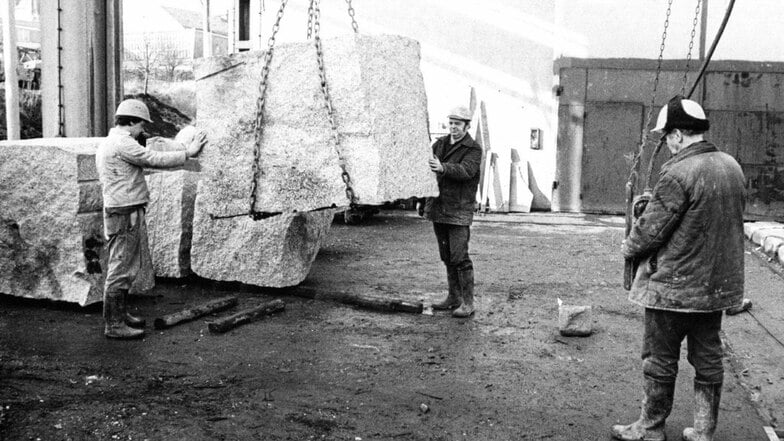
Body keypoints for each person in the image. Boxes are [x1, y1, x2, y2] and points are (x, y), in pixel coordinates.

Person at [612, 95, 746, 441]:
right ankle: (703, 430)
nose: (667, 144)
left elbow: (651, 232)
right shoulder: (731, 165)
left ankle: (651, 427)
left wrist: (628, 245)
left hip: (673, 289)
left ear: (676, 135)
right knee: (708, 357)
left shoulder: (678, 172)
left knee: (659, 358)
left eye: (666, 137)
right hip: (714, 288)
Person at [96, 99, 207, 340]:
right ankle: (114, 323)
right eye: (141, 125)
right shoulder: (122, 143)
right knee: (121, 267)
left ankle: (120, 315)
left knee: (127, 264)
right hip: (125, 212)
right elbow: (151, 158)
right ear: (132, 122)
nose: (142, 131)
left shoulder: (111, 142)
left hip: (124, 210)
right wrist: (187, 153)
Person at [421, 106, 483, 318]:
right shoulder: (440, 144)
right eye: (451, 123)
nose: (453, 127)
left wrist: (443, 168)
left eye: (458, 124)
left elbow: (467, 171)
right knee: (446, 255)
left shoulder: (473, 149)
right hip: (439, 207)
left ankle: (468, 302)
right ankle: (453, 297)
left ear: (467, 126)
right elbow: (426, 165)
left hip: (458, 210)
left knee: (459, 256)